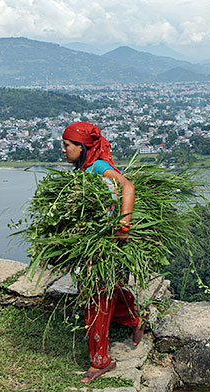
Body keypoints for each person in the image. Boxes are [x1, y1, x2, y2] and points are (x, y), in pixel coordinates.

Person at [62, 121, 144, 383]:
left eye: (67, 145)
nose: (63, 150)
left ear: (82, 147)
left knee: (94, 298)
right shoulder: (84, 168)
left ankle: (101, 361)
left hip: (106, 245)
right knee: (109, 289)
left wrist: (124, 226)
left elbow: (127, 187)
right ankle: (133, 321)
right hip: (94, 242)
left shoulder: (98, 167)